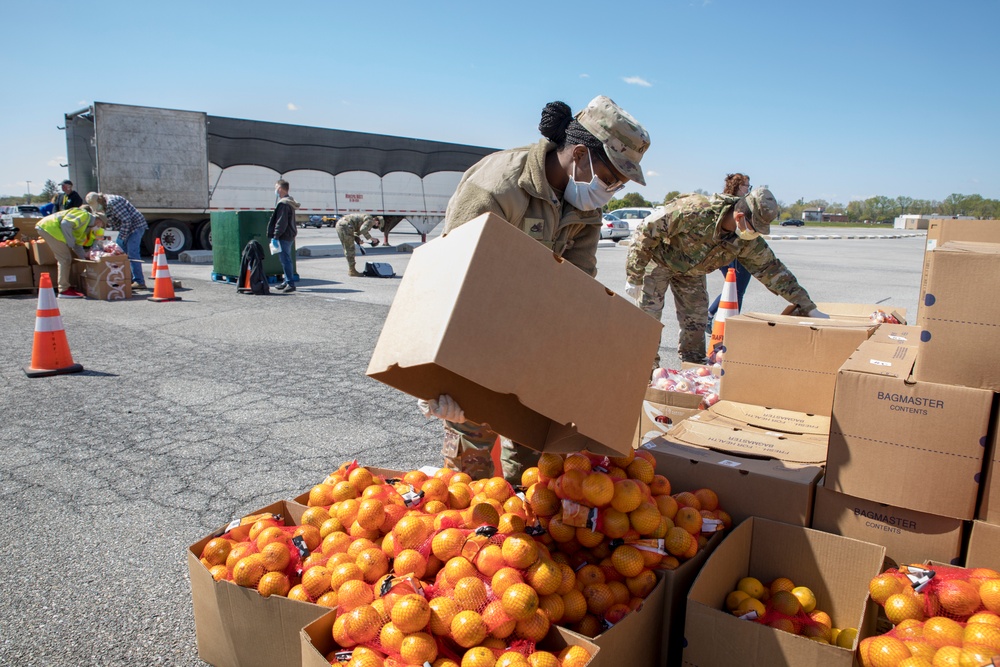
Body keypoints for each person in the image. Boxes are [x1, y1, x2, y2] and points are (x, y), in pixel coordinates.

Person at [418, 95, 651, 484]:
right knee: (468, 484)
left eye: (621, 183)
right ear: (579, 154)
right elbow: (449, 280)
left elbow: (578, 289)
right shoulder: (498, 187)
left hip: (531, 341)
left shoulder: (585, 207)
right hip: (476, 335)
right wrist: (434, 379)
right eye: (612, 178)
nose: (613, 190)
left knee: (534, 472)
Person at [625, 187, 828, 366]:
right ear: (740, 216)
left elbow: (772, 270)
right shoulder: (694, 209)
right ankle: (645, 369)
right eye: (754, 228)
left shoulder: (746, 240)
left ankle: (693, 367)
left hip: (692, 272)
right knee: (649, 318)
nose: (755, 234)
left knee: (696, 321)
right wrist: (634, 275)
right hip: (659, 260)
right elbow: (645, 231)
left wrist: (808, 307)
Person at [706, 173, 753, 330]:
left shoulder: (745, 204)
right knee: (734, 288)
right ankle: (723, 321)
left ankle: (723, 320)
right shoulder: (727, 204)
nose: (749, 189)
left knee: (737, 289)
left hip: (743, 251)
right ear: (739, 186)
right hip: (727, 251)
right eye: (747, 186)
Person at [35, 206, 103, 298]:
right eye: (99, 226)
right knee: (65, 259)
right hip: (49, 228)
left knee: (66, 259)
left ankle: (65, 288)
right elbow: (65, 224)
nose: (98, 228)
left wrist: (85, 259)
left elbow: (77, 245)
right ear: (98, 221)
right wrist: (70, 242)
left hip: (49, 228)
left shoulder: (85, 227)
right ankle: (64, 290)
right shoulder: (84, 215)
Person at [85, 192, 149, 290]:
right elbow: (113, 221)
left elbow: (127, 221)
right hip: (126, 228)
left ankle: (139, 281)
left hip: (135, 226)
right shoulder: (105, 205)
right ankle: (128, 279)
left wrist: (121, 238)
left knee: (132, 252)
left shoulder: (112, 202)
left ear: (99, 201)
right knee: (121, 253)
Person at [266, 179, 300, 292]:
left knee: (285, 260)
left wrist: (276, 236)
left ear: (280, 189)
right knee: (284, 259)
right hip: (288, 234)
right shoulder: (288, 202)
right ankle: (286, 281)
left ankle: (290, 283)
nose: (275, 190)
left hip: (284, 235)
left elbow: (281, 222)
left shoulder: (284, 204)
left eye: (276, 188)